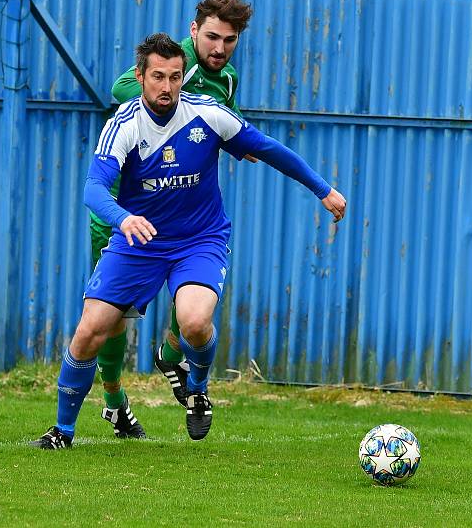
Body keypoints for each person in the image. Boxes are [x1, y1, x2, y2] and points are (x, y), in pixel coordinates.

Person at [29, 33, 346, 449]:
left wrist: (322, 189)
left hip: (199, 239)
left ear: (183, 78)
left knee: (194, 323)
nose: (166, 87)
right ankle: (63, 432)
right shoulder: (123, 125)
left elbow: (268, 149)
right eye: (157, 77)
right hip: (138, 242)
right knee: (90, 329)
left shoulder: (209, 114)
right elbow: (93, 189)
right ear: (139, 77)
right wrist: (123, 219)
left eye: (175, 77)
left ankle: (197, 387)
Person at [91, 0, 256, 439]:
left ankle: (170, 352)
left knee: (193, 299)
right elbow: (123, 90)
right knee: (111, 321)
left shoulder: (228, 79)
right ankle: (114, 402)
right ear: (193, 31)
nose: (220, 48)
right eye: (212, 37)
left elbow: (226, 122)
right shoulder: (172, 67)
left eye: (230, 40)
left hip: (183, 210)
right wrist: (180, 97)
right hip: (129, 211)